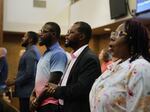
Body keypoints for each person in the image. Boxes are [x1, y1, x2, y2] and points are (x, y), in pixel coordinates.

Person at [90, 19, 150, 112]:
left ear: (132, 40)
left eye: (120, 34)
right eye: (113, 33)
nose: (112, 37)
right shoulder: (115, 66)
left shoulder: (140, 68)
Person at [45, 21, 101, 112]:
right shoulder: (75, 56)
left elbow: (81, 89)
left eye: (70, 32)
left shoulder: (89, 58)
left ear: (81, 36)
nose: (66, 36)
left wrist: (57, 90)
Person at [30, 22, 67, 112]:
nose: (40, 34)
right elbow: (42, 78)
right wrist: (32, 95)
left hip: (49, 104)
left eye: (44, 31)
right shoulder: (47, 52)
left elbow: (52, 84)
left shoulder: (58, 53)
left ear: (53, 34)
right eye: (40, 31)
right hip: (41, 102)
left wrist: (36, 102)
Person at [7, 31, 41, 112]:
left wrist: (13, 82)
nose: (22, 38)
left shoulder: (31, 52)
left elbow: (29, 74)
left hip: (27, 92)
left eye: (25, 37)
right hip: (26, 91)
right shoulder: (31, 51)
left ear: (30, 40)